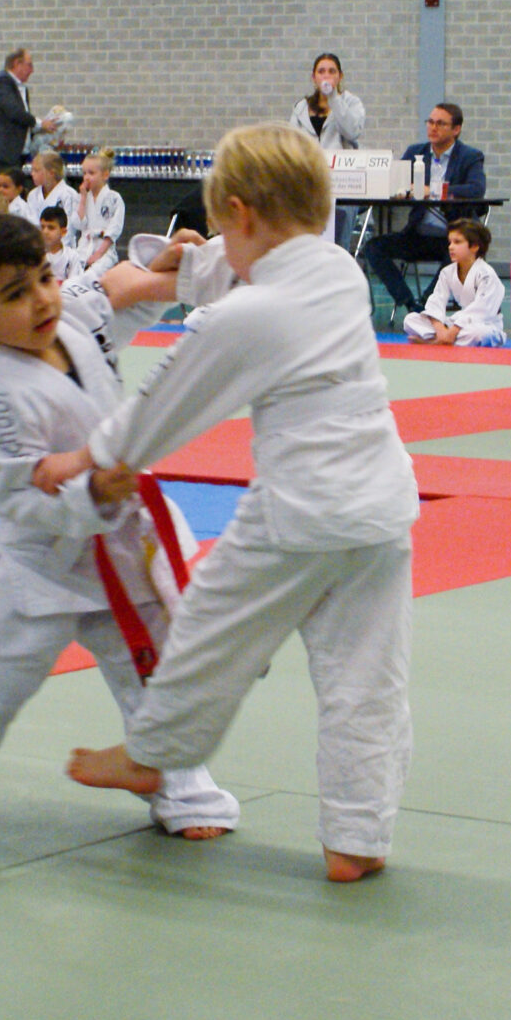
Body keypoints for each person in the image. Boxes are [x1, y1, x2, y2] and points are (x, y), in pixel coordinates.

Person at [52, 125, 416, 882]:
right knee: (367, 682)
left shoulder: (248, 317)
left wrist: (86, 457)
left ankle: (154, 755)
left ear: (240, 214)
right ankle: (358, 837)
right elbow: (257, 261)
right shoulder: (338, 271)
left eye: (224, 227)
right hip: (382, 510)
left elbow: (163, 410)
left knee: (205, 629)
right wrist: (178, 274)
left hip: (297, 512)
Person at [0, 212, 240, 844]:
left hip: (125, 548)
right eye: (16, 293)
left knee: (157, 676)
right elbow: (21, 495)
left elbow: (123, 303)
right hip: (41, 568)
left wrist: (167, 268)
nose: (41, 299)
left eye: (43, 277)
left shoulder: (70, 322)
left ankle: (182, 788)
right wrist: (90, 492)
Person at [361, 102, 485, 315]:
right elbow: (396, 183)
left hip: (452, 236)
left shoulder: (470, 156)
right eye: (430, 122)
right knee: (373, 247)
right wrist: (400, 190)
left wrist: (434, 191)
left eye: (440, 124)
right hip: (418, 234)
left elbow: (476, 189)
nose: (433, 128)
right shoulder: (415, 152)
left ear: (456, 129)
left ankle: (428, 302)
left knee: (460, 252)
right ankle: (409, 303)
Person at [403, 219, 505, 347]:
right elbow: (436, 302)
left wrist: (453, 331)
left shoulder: (486, 274)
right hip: (458, 323)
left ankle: (436, 342)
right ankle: (445, 340)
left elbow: (481, 310)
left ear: (474, 246)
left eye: (457, 242)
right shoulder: (447, 272)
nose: (450, 247)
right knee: (410, 319)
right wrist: (440, 329)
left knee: (479, 334)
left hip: (485, 324)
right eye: (450, 242)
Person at [0, 47, 64, 177]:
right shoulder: (2, 82)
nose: (32, 70)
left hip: (16, 154)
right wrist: (40, 124)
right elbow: (15, 112)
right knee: (8, 188)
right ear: (17, 63)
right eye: (29, 65)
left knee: (15, 188)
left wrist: (46, 134)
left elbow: (23, 121)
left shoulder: (22, 88)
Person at [73, 147, 125, 276]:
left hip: (105, 252)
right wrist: (83, 197)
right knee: (73, 276)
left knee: (92, 275)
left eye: (91, 173)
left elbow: (114, 229)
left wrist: (98, 254)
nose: (86, 177)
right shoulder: (81, 198)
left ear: (105, 175)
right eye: (84, 173)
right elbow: (79, 225)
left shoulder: (114, 198)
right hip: (83, 249)